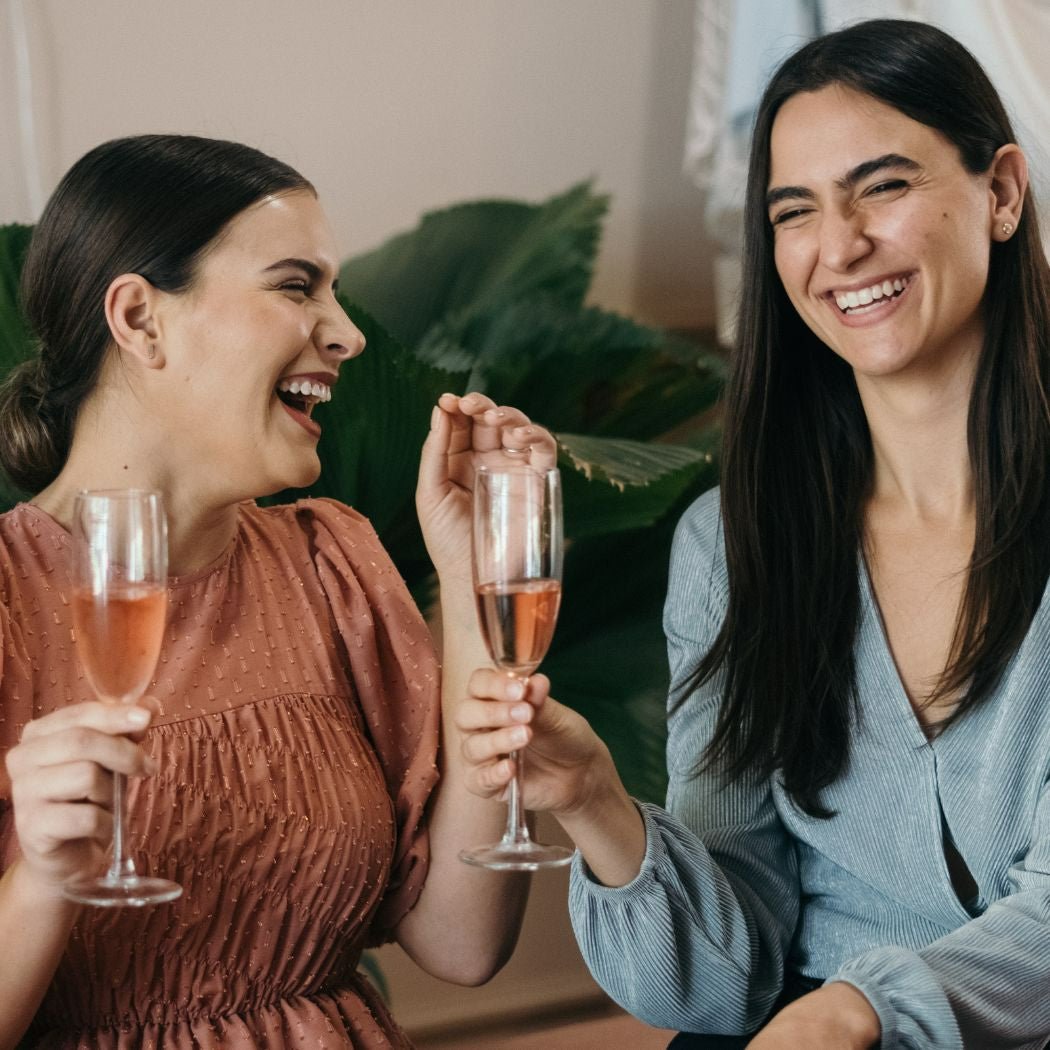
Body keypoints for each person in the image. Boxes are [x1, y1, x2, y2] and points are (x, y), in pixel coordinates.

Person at [459, 18, 1050, 1050]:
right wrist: (597, 800)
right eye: (795, 210)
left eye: (884, 187)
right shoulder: (732, 548)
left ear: (1001, 192)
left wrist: (859, 1012)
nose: (840, 246)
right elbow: (726, 976)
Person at [0, 133, 556, 1049]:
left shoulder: (330, 563)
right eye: (297, 286)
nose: (347, 333)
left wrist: (470, 578)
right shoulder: (11, 607)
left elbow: (462, 941)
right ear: (140, 320)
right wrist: (44, 883)